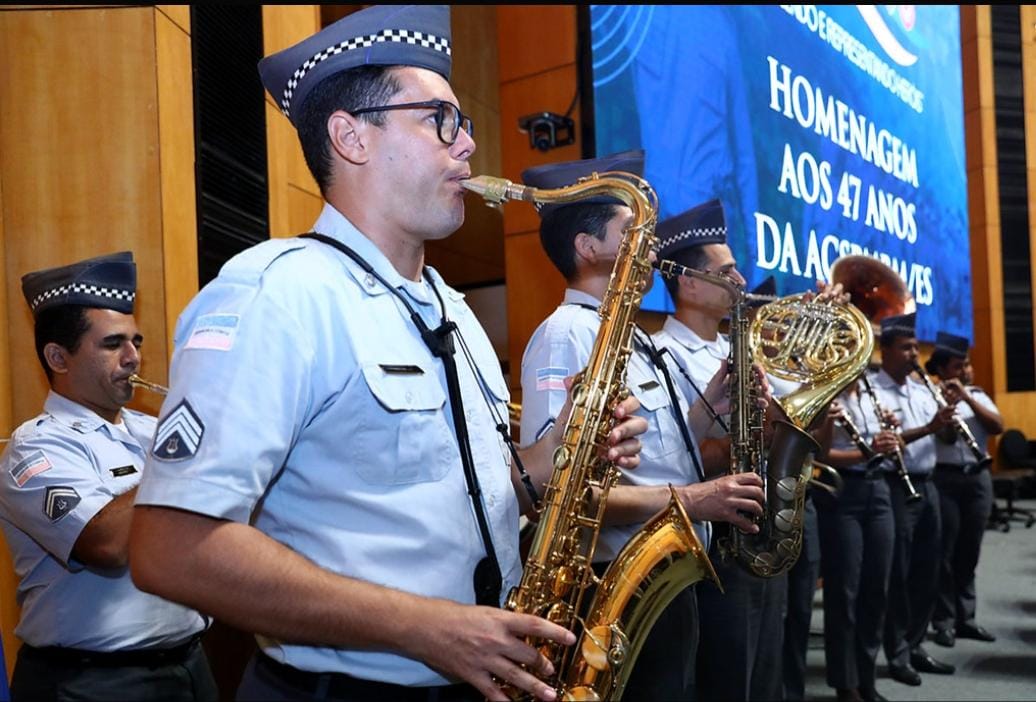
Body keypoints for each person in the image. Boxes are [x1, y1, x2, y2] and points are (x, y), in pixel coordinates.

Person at [127, 7, 647, 702]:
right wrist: (425, 628)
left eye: (462, 122)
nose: (467, 144)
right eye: (441, 119)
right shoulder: (277, 293)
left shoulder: (451, 307)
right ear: (351, 137)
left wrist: (564, 453)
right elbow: (169, 547)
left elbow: (458, 484)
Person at [518, 152, 766, 701]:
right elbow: (557, 490)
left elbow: (663, 451)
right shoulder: (565, 336)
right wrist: (696, 500)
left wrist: (712, 404)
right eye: (631, 231)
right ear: (587, 248)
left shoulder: (637, 337)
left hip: (664, 571)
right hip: (616, 579)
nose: (650, 245)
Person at [0, 252, 216, 702]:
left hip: (189, 666)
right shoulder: (35, 449)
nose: (134, 358)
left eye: (136, 342)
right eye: (113, 344)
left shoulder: (151, 430)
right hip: (92, 682)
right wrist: (185, 450)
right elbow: (108, 545)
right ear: (58, 357)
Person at [651, 200, 790, 702]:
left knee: (764, 673)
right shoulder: (662, 356)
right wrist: (743, 439)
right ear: (688, 282)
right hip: (715, 543)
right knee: (727, 676)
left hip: (760, 527)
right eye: (726, 270)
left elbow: (781, 438)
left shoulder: (737, 350)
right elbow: (675, 460)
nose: (740, 278)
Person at [871, 313, 958, 687]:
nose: (913, 353)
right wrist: (930, 427)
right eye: (905, 347)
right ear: (886, 349)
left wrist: (950, 425)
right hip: (893, 486)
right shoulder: (874, 390)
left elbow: (946, 440)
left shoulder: (923, 389)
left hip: (929, 485)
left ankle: (917, 642)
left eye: (914, 346)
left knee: (929, 569)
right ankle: (898, 652)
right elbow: (884, 445)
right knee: (900, 573)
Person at [814, 375, 900, 702]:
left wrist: (893, 438)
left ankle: (867, 676)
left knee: (877, 588)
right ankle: (844, 682)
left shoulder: (871, 393)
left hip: (879, 489)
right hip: (843, 492)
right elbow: (820, 457)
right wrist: (829, 424)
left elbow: (894, 446)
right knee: (844, 590)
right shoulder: (829, 395)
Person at [925, 331, 1003, 647]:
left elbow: (998, 426)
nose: (965, 371)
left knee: (969, 551)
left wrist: (967, 397)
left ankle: (966, 618)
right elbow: (943, 438)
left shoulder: (978, 393)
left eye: (967, 366)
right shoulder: (928, 395)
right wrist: (945, 407)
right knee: (945, 551)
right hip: (944, 478)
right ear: (943, 369)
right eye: (959, 367)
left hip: (978, 478)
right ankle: (943, 620)